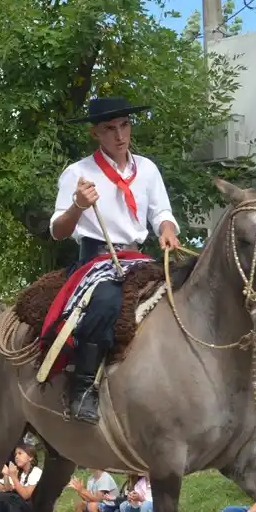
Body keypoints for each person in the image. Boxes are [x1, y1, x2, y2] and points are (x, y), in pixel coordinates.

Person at [49, 97, 180, 423]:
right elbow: (57, 231)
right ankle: (82, 389)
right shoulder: (77, 173)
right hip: (97, 258)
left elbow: (161, 212)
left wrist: (166, 229)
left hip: (138, 255)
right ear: (96, 133)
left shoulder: (148, 169)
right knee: (107, 299)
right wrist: (78, 205)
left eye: (125, 125)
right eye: (110, 129)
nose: (120, 135)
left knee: (183, 292)